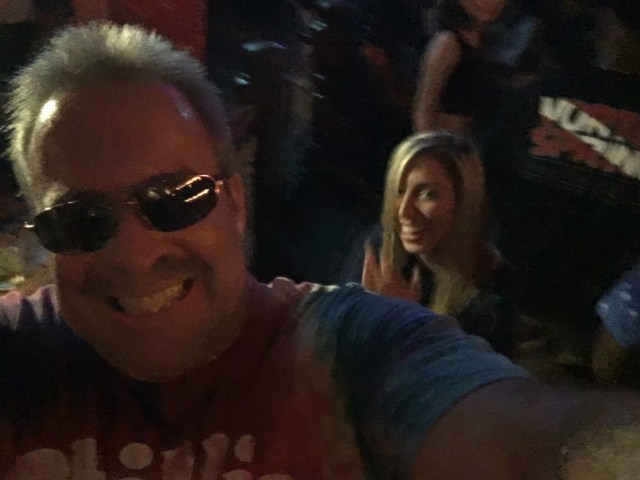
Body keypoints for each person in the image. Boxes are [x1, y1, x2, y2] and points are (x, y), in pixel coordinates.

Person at [2, 21, 640, 480]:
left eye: (174, 198)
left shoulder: (352, 351)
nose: (136, 255)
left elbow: (528, 436)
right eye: (79, 221)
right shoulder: (21, 356)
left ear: (236, 201)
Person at [362, 131, 518, 356]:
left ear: (464, 201)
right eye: (399, 191)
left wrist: (402, 322)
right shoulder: (382, 250)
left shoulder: (491, 295)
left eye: (427, 194)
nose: (405, 212)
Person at [412, 0, 509, 133]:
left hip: (485, 135)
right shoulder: (447, 42)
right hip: (449, 139)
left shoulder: (496, 41)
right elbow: (423, 112)